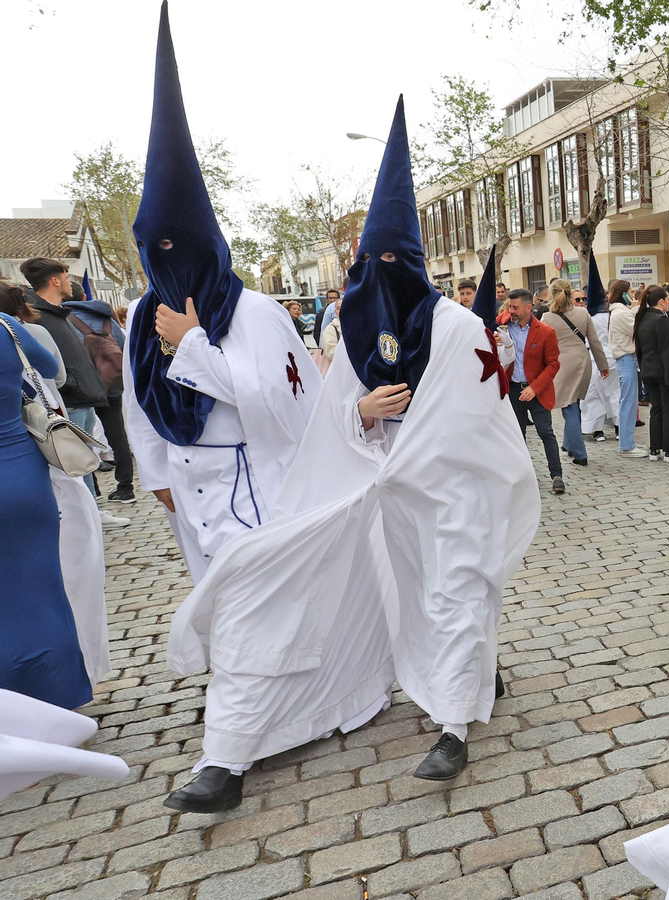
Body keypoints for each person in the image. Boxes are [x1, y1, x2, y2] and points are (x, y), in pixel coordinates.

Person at [165, 95, 538, 806]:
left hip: (451, 490)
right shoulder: (359, 335)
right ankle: (235, 750)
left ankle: (454, 725)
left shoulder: (461, 329)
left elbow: (483, 416)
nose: (380, 272)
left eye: (393, 260)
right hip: (378, 495)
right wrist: (362, 414)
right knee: (333, 592)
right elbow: (328, 417)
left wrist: (415, 447)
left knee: (454, 592)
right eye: (371, 261)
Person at [120, 5, 323, 810]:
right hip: (190, 489)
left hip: (254, 484)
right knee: (237, 614)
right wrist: (155, 474)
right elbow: (137, 400)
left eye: (179, 248)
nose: (166, 263)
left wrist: (195, 344)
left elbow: (276, 402)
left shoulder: (258, 312)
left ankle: (225, 763)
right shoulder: (141, 315)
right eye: (154, 250)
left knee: (244, 611)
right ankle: (274, 709)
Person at [0, 307, 93, 711]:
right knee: (41, 588)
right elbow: (50, 367)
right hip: (18, 471)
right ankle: (60, 698)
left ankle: (11, 710)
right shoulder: (5, 325)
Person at [21, 259, 109, 484]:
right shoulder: (37, 318)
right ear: (55, 281)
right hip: (69, 402)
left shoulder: (59, 313)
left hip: (83, 399)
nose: (70, 283)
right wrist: (71, 383)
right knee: (79, 470)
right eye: (67, 278)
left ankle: (93, 505)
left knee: (87, 466)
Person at [62, 279, 135, 505]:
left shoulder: (64, 320)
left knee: (82, 438)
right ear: (85, 297)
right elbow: (123, 347)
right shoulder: (107, 318)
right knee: (118, 436)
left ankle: (92, 490)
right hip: (111, 384)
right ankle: (126, 488)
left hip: (81, 388)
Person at [502, 289, 565, 493]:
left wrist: (534, 388)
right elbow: (495, 319)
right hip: (513, 390)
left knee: (546, 433)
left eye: (515, 307)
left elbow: (553, 364)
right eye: (509, 306)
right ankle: (522, 478)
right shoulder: (505, 326)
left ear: (529, 308)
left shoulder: (546, 332)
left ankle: (556, 476)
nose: (511, 311)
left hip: (537, 391)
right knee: (517, 436)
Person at [541, 279, 608, 468]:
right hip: (582, 361)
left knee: (568, 407)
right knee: (574, 403)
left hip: (561, 364)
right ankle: (569, 444)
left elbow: (541, 345)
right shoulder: (583, 313)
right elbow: (595, 342)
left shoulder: (547, 318)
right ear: (570, 294)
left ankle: (580, 453)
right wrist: (603, 365)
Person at [635, 285, 669, 461]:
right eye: (668, 299)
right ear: (662, 301)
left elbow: (640, 348)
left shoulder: (642, 318)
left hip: (648, 370)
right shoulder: (661, 320)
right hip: (664, 371)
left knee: (656, 409)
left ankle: (654, 449)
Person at [581, 277, 623, 442]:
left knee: (594, 394)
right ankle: (619, 427)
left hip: (594, 359)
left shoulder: (589, 319)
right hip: (613, 357)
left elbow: (588, 342)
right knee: (615, 392)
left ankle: (596, 430)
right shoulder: (612, 316)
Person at [608, 279, 646, 458]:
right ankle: (626, 445)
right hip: (625, 358)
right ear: (623, 294)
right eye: (630, 292)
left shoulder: (621, 312)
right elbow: (636, 330)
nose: (633, 295)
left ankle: (628, 441)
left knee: (630, 403)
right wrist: (637, 308)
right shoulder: (620, 313)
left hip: (628, 359)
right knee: (628, 403)